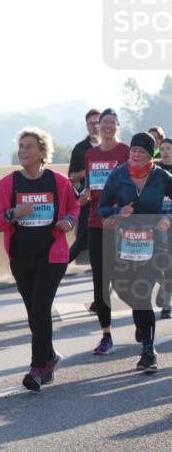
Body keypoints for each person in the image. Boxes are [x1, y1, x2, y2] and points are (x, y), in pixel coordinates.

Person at [0, 128, 78, 391]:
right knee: (34, 313)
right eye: (21, 146)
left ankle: (37, 368)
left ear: (42, 153)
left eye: (29, 147)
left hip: (52, 256)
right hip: (20, 256)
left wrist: (69, 221)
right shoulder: (9, 183)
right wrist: (14, 213)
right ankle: (49, 356)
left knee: (40, 309)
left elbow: (75, 206)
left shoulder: (59, 181)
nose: (23, 151)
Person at [98, 132, 172, 373]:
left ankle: (148, 351)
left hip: (154, 243)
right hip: (125, 244)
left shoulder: (162, 177)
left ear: (150, 155)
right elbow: (102, 208)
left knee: (142, 294)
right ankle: (142, 323)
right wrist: (118, 214)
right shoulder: (117, 175)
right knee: (123, 289)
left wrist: (167, 218)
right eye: (133, 151)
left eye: (141, 152)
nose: (136, 155)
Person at [81, 108, 130, 355]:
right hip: (96, 223)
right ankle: (106, 335)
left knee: (125, 279)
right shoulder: (90, 154)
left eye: (112, 122)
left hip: (122, 224)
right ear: (97, 127)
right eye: (104, 122)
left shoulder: (127, 152)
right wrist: (84, 196)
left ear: (117, 126)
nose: (108, 126)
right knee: (100, 281)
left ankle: (142, 323)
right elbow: (90, 187)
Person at [67, 109, 102, 264]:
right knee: (82, 240)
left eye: (97, 122)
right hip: (88, 201)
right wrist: (85, 172)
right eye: (90, 123)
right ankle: (59, 264)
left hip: (111, 201)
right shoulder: (80, 148)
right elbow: (71, 176)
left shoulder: (112, 147)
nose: (94, 126)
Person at [157, 138, 172, 318]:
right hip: (156, 222)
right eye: (163, 149)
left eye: (169, 148)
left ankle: (167, 306)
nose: (166, 152)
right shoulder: (156, 172)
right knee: (159, 262)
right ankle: (162, 284)